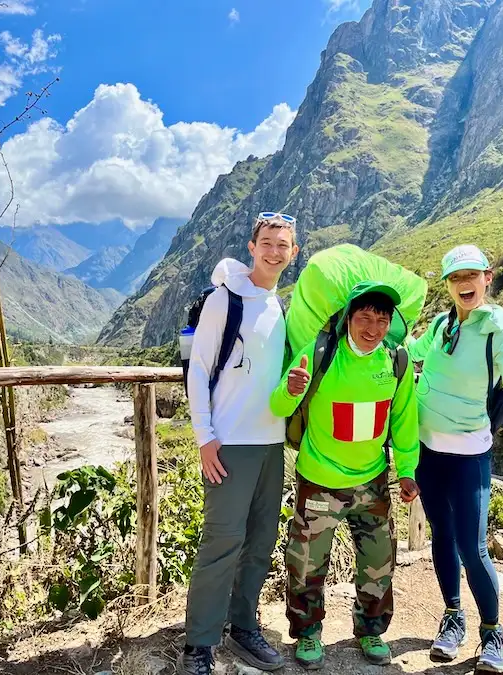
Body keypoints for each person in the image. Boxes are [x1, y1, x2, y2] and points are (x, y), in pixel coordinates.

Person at [270, 282, 420, 670]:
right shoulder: (321, 354)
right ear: (348, 319)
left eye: (382, 320)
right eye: (365, 318)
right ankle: (306, 633)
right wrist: (290, 390)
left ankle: (370, 630)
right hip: (319, 480)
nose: (373, 329)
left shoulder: (395, 362)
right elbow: (278, 403)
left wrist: (407, 471)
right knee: (306, 562)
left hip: (371, 481)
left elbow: (404, 419)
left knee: (379, 559)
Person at [407, 244, 503, 674]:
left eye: (472, 275)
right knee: (441, 538)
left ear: (488, 277)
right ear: (447, 285)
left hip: (469, 456)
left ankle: (491, 630)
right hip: (428, 453)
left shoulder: (498, 332)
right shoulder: (442, 324)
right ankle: (452, 617)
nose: (464, 284)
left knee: (473, 546)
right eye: (455, 278)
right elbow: (412, 353)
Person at [179, 213, 299, 675]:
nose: (273, 251)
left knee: (260, 541)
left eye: (282, 244)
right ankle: (200, 644)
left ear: (293, 253)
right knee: (221, 542)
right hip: (230, 443)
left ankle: (244, 626)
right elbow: (198, 370)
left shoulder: (279, 306)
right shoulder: (224, 300)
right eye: (266, 242)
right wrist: (205, 438)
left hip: (271, 445)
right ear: (252, 247)